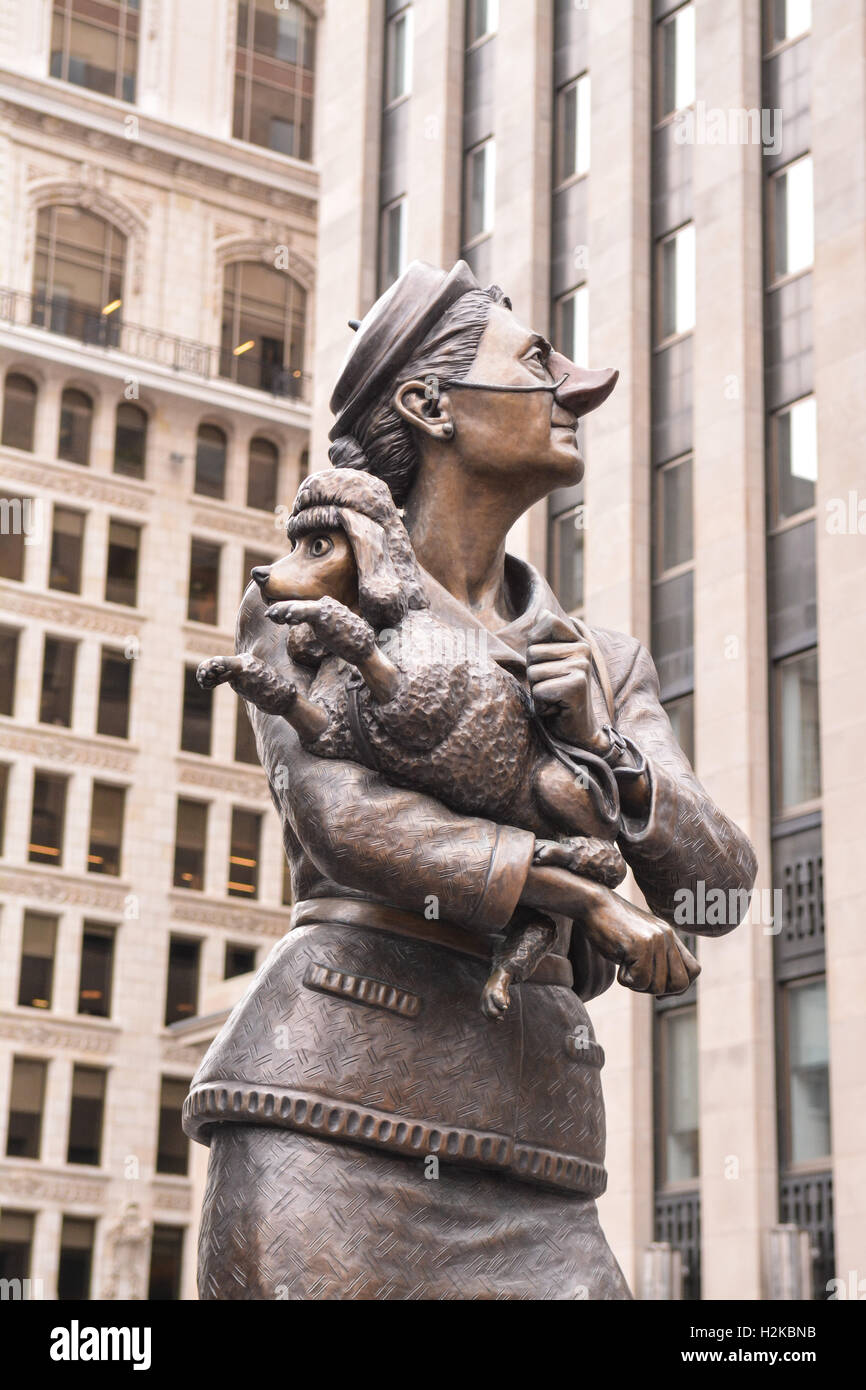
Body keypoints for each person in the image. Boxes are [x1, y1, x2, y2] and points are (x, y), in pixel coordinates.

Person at [184, 261, 757, 1300]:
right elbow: (345, 819)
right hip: (327, 1109)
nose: (575, 388)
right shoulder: (312, 589)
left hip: (536, 1153)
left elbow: (715, 882)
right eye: (536, 363)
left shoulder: (603, 658)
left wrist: (606, 746)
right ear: (426, 403)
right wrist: (584, 894)